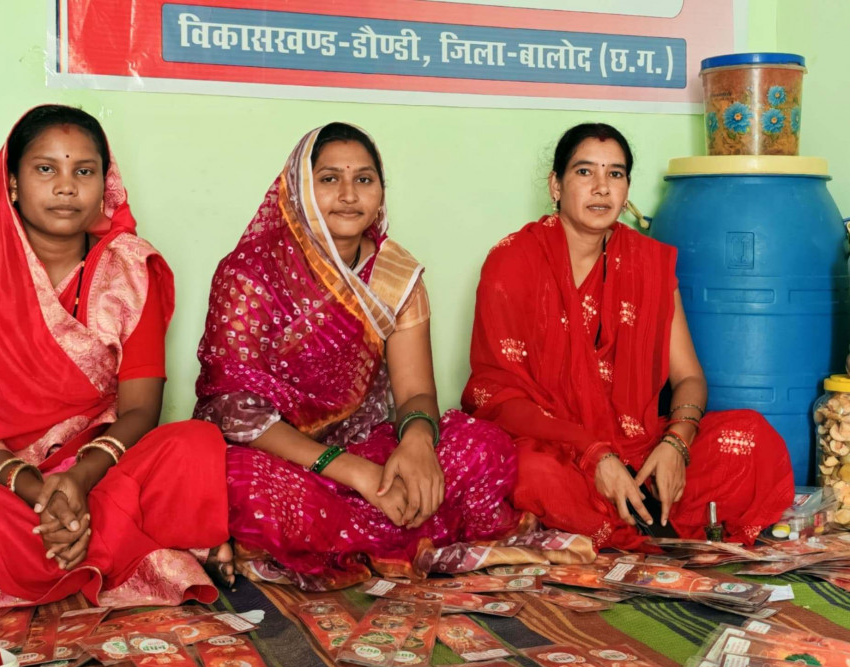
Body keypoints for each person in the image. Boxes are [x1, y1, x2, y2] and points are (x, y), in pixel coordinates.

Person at [0, 105, 231, 609]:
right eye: (46, 169)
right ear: (13, 184)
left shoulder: (130, 272)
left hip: (97, 467)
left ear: (105, 185)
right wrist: (35, 488)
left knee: (196, 442)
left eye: (83, 171)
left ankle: (33, 560)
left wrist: (78, 481)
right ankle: (108, 549)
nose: (66, 187)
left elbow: (141, 408)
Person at [194, 123, 518, 591]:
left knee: (485, 446)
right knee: (232, 481)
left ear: (381, 191)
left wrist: (417, 442)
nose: (348, 195)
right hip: (277, 456)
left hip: (364, 444)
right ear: (300, 189)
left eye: (364, 179)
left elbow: (416, 392)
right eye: (329, 179)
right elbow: (235, 412)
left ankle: (331, 535)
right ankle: (387, 529)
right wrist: (356, 474)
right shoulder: (249, 272)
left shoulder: (394, 274)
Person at [462, 123, 792, 549]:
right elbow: (496, 394)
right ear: (556, 185)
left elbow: (689, 378)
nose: (601, 187)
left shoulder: (646, 264)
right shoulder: (512, 262)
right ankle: (634, 527)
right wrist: (592, 453)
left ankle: (611, 525)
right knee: (527, 473)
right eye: (585, 172)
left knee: (753, 437)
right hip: (555, 448)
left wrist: (677, 443)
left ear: (626, 188)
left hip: (638, 447)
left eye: (615, 174)